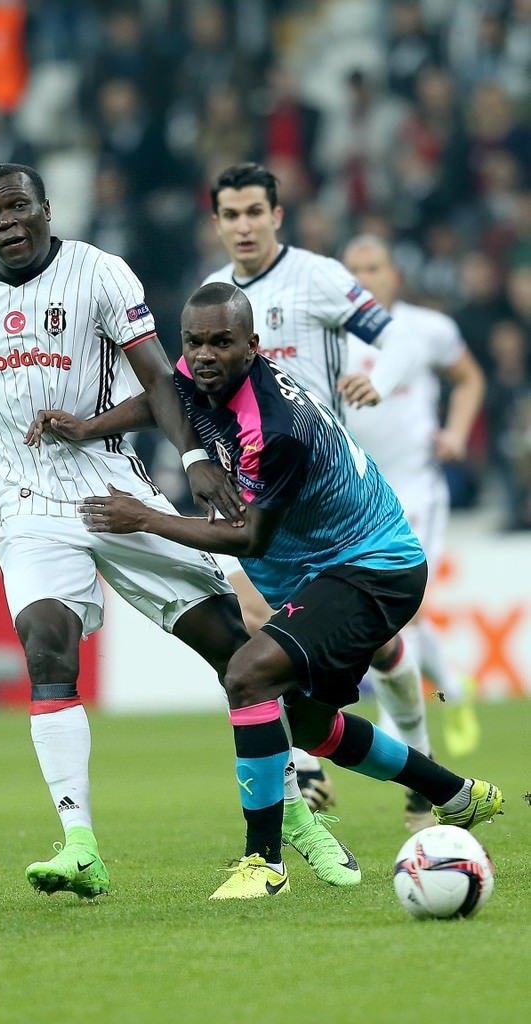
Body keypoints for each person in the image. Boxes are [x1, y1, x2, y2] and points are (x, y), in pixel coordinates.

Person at [0, 163, 358, 902]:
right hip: (30, 506)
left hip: (117, 494)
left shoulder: (98, 274)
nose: (4, 222)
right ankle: (79, 845)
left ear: (44, 208)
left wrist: (194, 459)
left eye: (17, 207)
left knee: (237, 652)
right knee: (45, 644)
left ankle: (293, 813)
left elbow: (160, 378)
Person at [30, 282, 504, 901]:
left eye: (220, 343)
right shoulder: (201, 375)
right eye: (193, 342)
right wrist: (89, 428)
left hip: (371, 568)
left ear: (252, 347)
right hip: (324, 572)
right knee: (304, 722)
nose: (203, 354)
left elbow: (250, 538)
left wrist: (144, 517)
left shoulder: (275, 427)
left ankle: (263, 863)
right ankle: (457, 795)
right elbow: (165, 399)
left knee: (249, 674)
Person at [202, 161, 429, 815]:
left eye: (254, 212)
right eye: (231, 214)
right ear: (216, 223)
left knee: (380, 646)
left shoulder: (319, 277)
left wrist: (378, 376)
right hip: (262, 498)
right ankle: (303, 769)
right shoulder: (213, 293)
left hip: (332, 503)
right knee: (259, 621)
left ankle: (417, 750)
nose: (243, 225)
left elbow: (394, 337)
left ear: (276, 215)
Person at [343, 235, 486, 779]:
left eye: (374, 266)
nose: (365, 276)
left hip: (417, 486)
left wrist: (455, 431)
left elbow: (470, 377)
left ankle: (394, 722)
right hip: (358, 496)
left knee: (405, 603)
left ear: (394, 274)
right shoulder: (332, 337)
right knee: (390, 612)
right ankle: (452, 685)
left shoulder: (428, 330)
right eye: (354, 269)